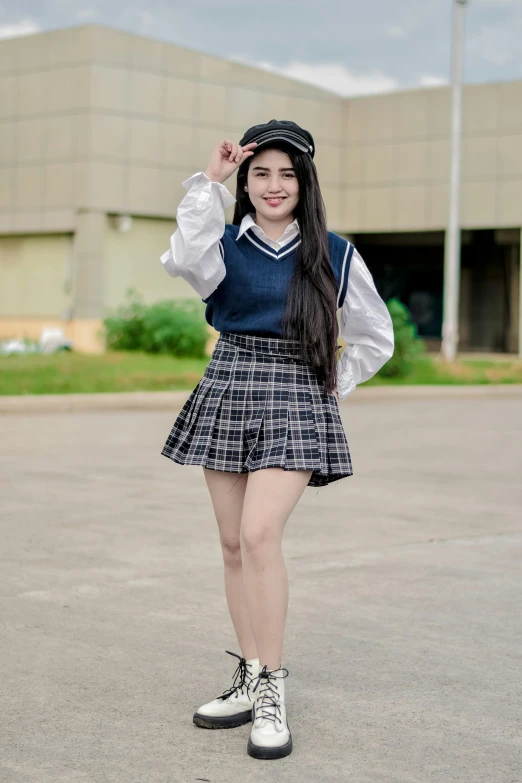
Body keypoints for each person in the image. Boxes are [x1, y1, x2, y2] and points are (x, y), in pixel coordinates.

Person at [160, 120, 394, 760]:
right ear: (246, 180)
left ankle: (271, 687)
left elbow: (376, 337)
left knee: (261, 534)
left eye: (287, 173)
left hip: (295, 391)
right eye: (259, 172)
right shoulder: (222, 244)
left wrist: (327, 386)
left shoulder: (335, 253)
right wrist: (209, 181)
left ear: (305, 182)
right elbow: (183, 257)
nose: (273, 185)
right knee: (234, 543)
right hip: (230, 382)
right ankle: (248, 672)